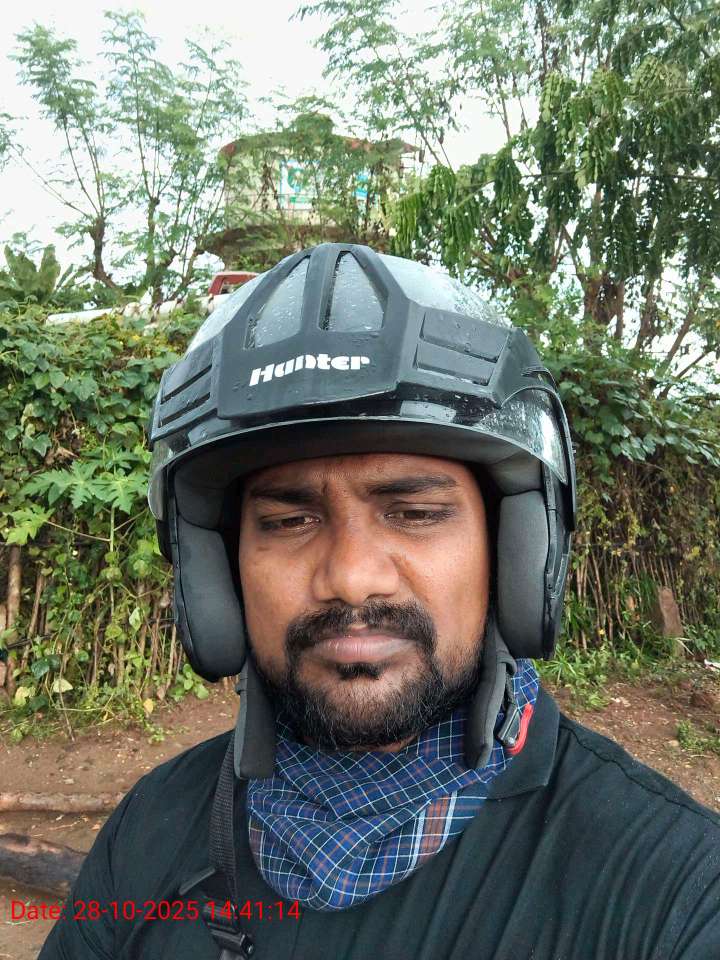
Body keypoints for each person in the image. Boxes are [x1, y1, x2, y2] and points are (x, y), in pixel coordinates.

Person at [40, 244, 720, 960]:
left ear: (513, 550)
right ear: (222, 569)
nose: (353, 578)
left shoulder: (675, 895)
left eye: (415, 513)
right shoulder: (150, 828)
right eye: (289, 521)